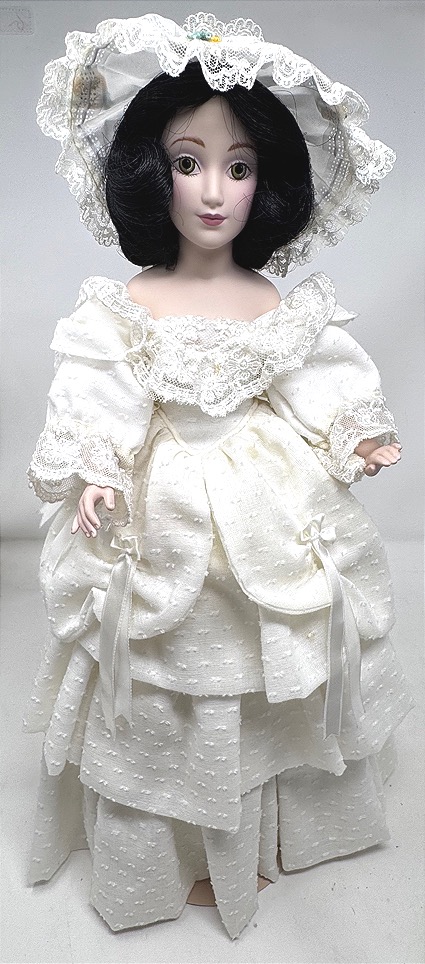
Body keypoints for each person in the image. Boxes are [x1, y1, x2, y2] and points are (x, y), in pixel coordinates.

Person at [25, 12, 413, 940]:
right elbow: (105, 394)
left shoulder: (271, 301)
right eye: (188, 162)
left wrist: (353, 433)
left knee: (267, 663)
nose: (212, 191)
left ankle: (266, 827)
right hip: (167, 512)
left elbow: (311, 380)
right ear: (148, 174)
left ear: (265, 183)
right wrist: (96, 469)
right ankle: (178, 849)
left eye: (237, 168)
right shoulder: (128, 306)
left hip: (266, 503)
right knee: (173, 676)